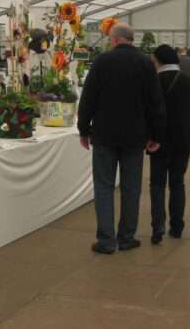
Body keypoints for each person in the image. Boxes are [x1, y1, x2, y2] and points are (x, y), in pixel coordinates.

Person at [78, 23, 166, 254]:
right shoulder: (146, 63)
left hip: (105, 134)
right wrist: (156, 134)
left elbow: (88, 98)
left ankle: (106, 240)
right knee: (131, 187)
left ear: (115, 39)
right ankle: (127, 237)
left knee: (104, 186)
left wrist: (83, 129)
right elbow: (155, 102)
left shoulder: (102, 62)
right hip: (135, 136)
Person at [148, 45, 190, 244]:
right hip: (184, 136)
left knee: (157, 184)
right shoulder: (187, 80)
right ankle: (177, 227)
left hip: (159, 138)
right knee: (178, 182)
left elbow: (150, 111)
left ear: (159, 60)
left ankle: (157, 226)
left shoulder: (154, 81)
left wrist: (150, 136)